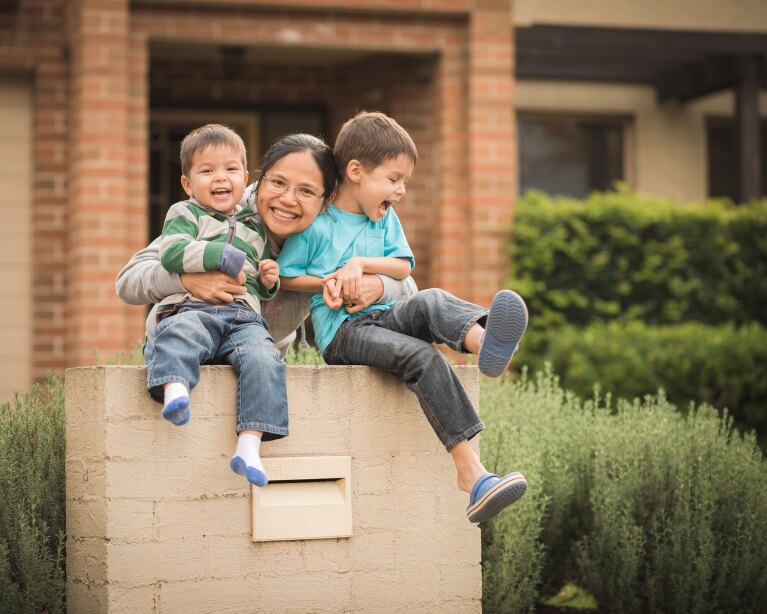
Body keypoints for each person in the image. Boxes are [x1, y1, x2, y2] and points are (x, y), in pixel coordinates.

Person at [115, 130, 417, 484]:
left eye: (306, 191)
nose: (288, 199)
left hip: (250, 363)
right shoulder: (224, 212)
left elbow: (409, 288)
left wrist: (375, 283)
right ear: (256, 181)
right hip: (186, 353)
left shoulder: (331, 236)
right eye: (277, 183)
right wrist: (187, 281)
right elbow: (128, 280)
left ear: (327, 199)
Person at [277, 112, 529, 523]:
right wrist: (329, 280)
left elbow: (402, 267)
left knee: (429, 299)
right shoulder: (318, 225)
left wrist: (361, 263)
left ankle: (484, 343)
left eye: (405, 181)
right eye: (394, 179)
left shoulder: (384, 219)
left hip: (387, 313)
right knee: (423, 357)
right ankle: (473, 475)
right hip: (343, 333)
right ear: (356, 171)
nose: (401, 190)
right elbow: (287, 275)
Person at [147, 123, 288, 487]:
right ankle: (175, 389)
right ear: (187, 183)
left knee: (265, 358)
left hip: (243, 319)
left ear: (245, 178)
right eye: (207, 171)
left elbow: (252, 279)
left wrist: (268, 282)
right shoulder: (185, 214)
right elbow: (172, 251)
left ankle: (249, 446)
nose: (219, 178)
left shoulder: (255, 227)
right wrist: (218, 254)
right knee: (180, 331)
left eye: (230, 170)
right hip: (193, 308)